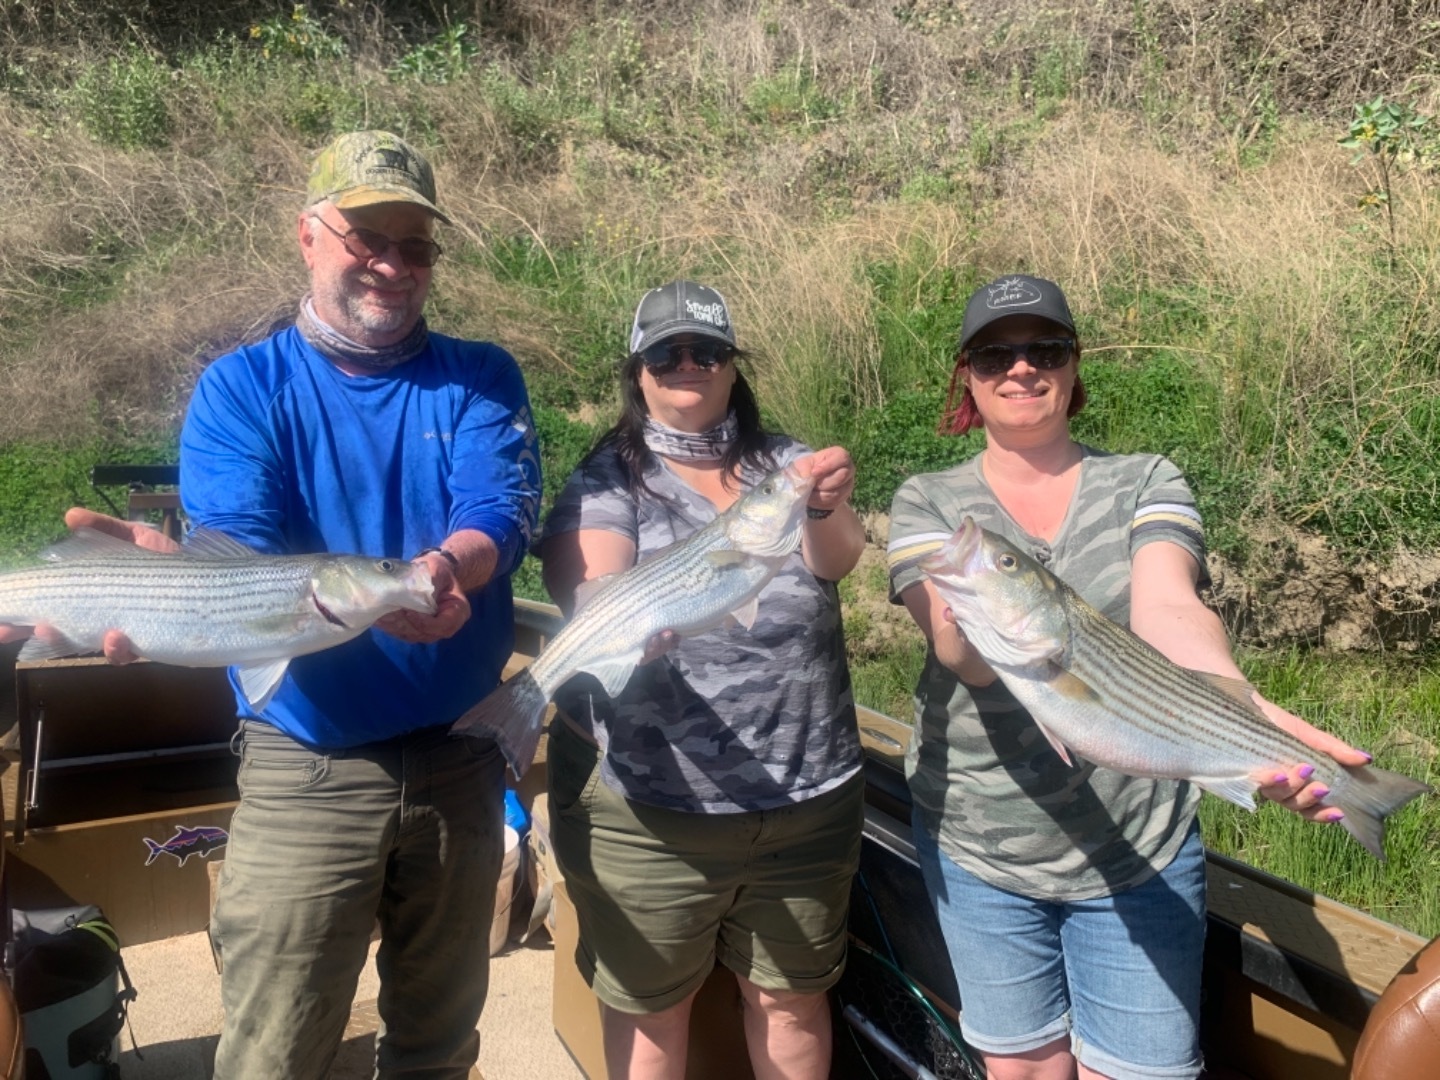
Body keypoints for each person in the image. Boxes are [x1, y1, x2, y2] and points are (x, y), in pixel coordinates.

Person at [2, 130, 541, 1079]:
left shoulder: (480, 375)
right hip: (306, 762)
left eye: (416, 245)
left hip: (462, 752)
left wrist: (446, 567)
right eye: (366, 234)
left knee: (441, 1036)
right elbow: (240, 548)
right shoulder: (242, 387)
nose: (392, 262)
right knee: (275, 1041)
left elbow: (496, 509)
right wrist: (179, 586)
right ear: (308, 234)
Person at [885, 274, 1368, 1080]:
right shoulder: (931, 502)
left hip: (1141, 850)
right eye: (995, 353)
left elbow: (1170, 607)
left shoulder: (1146, 479)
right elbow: (959, 654)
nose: (1022, 368)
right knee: (1024, 1070)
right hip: (984, 854)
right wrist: (961, 612)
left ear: (1075, 368)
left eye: (1046, 349)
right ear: (965, 375)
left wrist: (1233, 697)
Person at [536, 280, 866, 1080]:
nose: (689, 365)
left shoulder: (784, 463)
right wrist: (621, 623)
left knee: (792, 1002)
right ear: (638, 371)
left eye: (707, 351)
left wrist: (821, 504)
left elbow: (839, 560)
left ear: (732, 366)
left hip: (808, 794)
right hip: (662, 808)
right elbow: (593, 581)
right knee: (652, 1016)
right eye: (666, 353)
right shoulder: (608, 479)